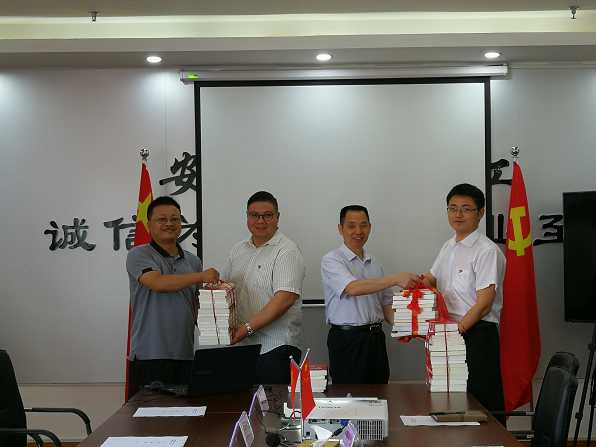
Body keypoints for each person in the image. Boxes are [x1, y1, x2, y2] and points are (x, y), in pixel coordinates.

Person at [422, 183, 506, 417]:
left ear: (480, 213)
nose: (458, 214)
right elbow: (431, 279)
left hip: (477, 334)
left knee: (480, 402)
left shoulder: (486, 250)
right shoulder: (448, 246)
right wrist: (412, 283)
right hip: (451, 333)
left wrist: (455, 332)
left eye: (466, 209)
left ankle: (492, 438)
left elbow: (484, 304)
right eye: (453, 208)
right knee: (452, 401)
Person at [126, 196, 219, 399]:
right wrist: (201, 276)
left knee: (184, 415)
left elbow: (197, 306)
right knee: (148, 416)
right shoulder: (138, 255)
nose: (169, 224)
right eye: (162, 219)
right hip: (150, 355)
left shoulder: (193, 261)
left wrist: (222, 317)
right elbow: (158, 283)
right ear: (148, 224)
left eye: (175, 219)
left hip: (185, 354)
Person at [321, 205, 417, 384]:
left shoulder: (375, 263)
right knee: (350, 396)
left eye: (363, 225)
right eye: (351, 226)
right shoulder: (332, 260)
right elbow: (352, 288)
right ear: (340, 229)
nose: (358, 231)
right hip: (347, 340)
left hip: (376, 339)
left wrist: (410, 326)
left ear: (370, 227)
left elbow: (386, 305)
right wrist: (395, 279)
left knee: (381, 392)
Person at [224, 191, 305, 384]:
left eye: (267, 215)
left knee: (273, 403)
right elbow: (226, 289)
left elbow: (284, 299)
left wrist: (246, 329)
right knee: (239, 401)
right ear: (247, 217)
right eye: (254, 215)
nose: (260, 221)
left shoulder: (287, 250)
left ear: (277, 217)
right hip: (242, 347)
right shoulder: (238, 250)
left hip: (275, 348)